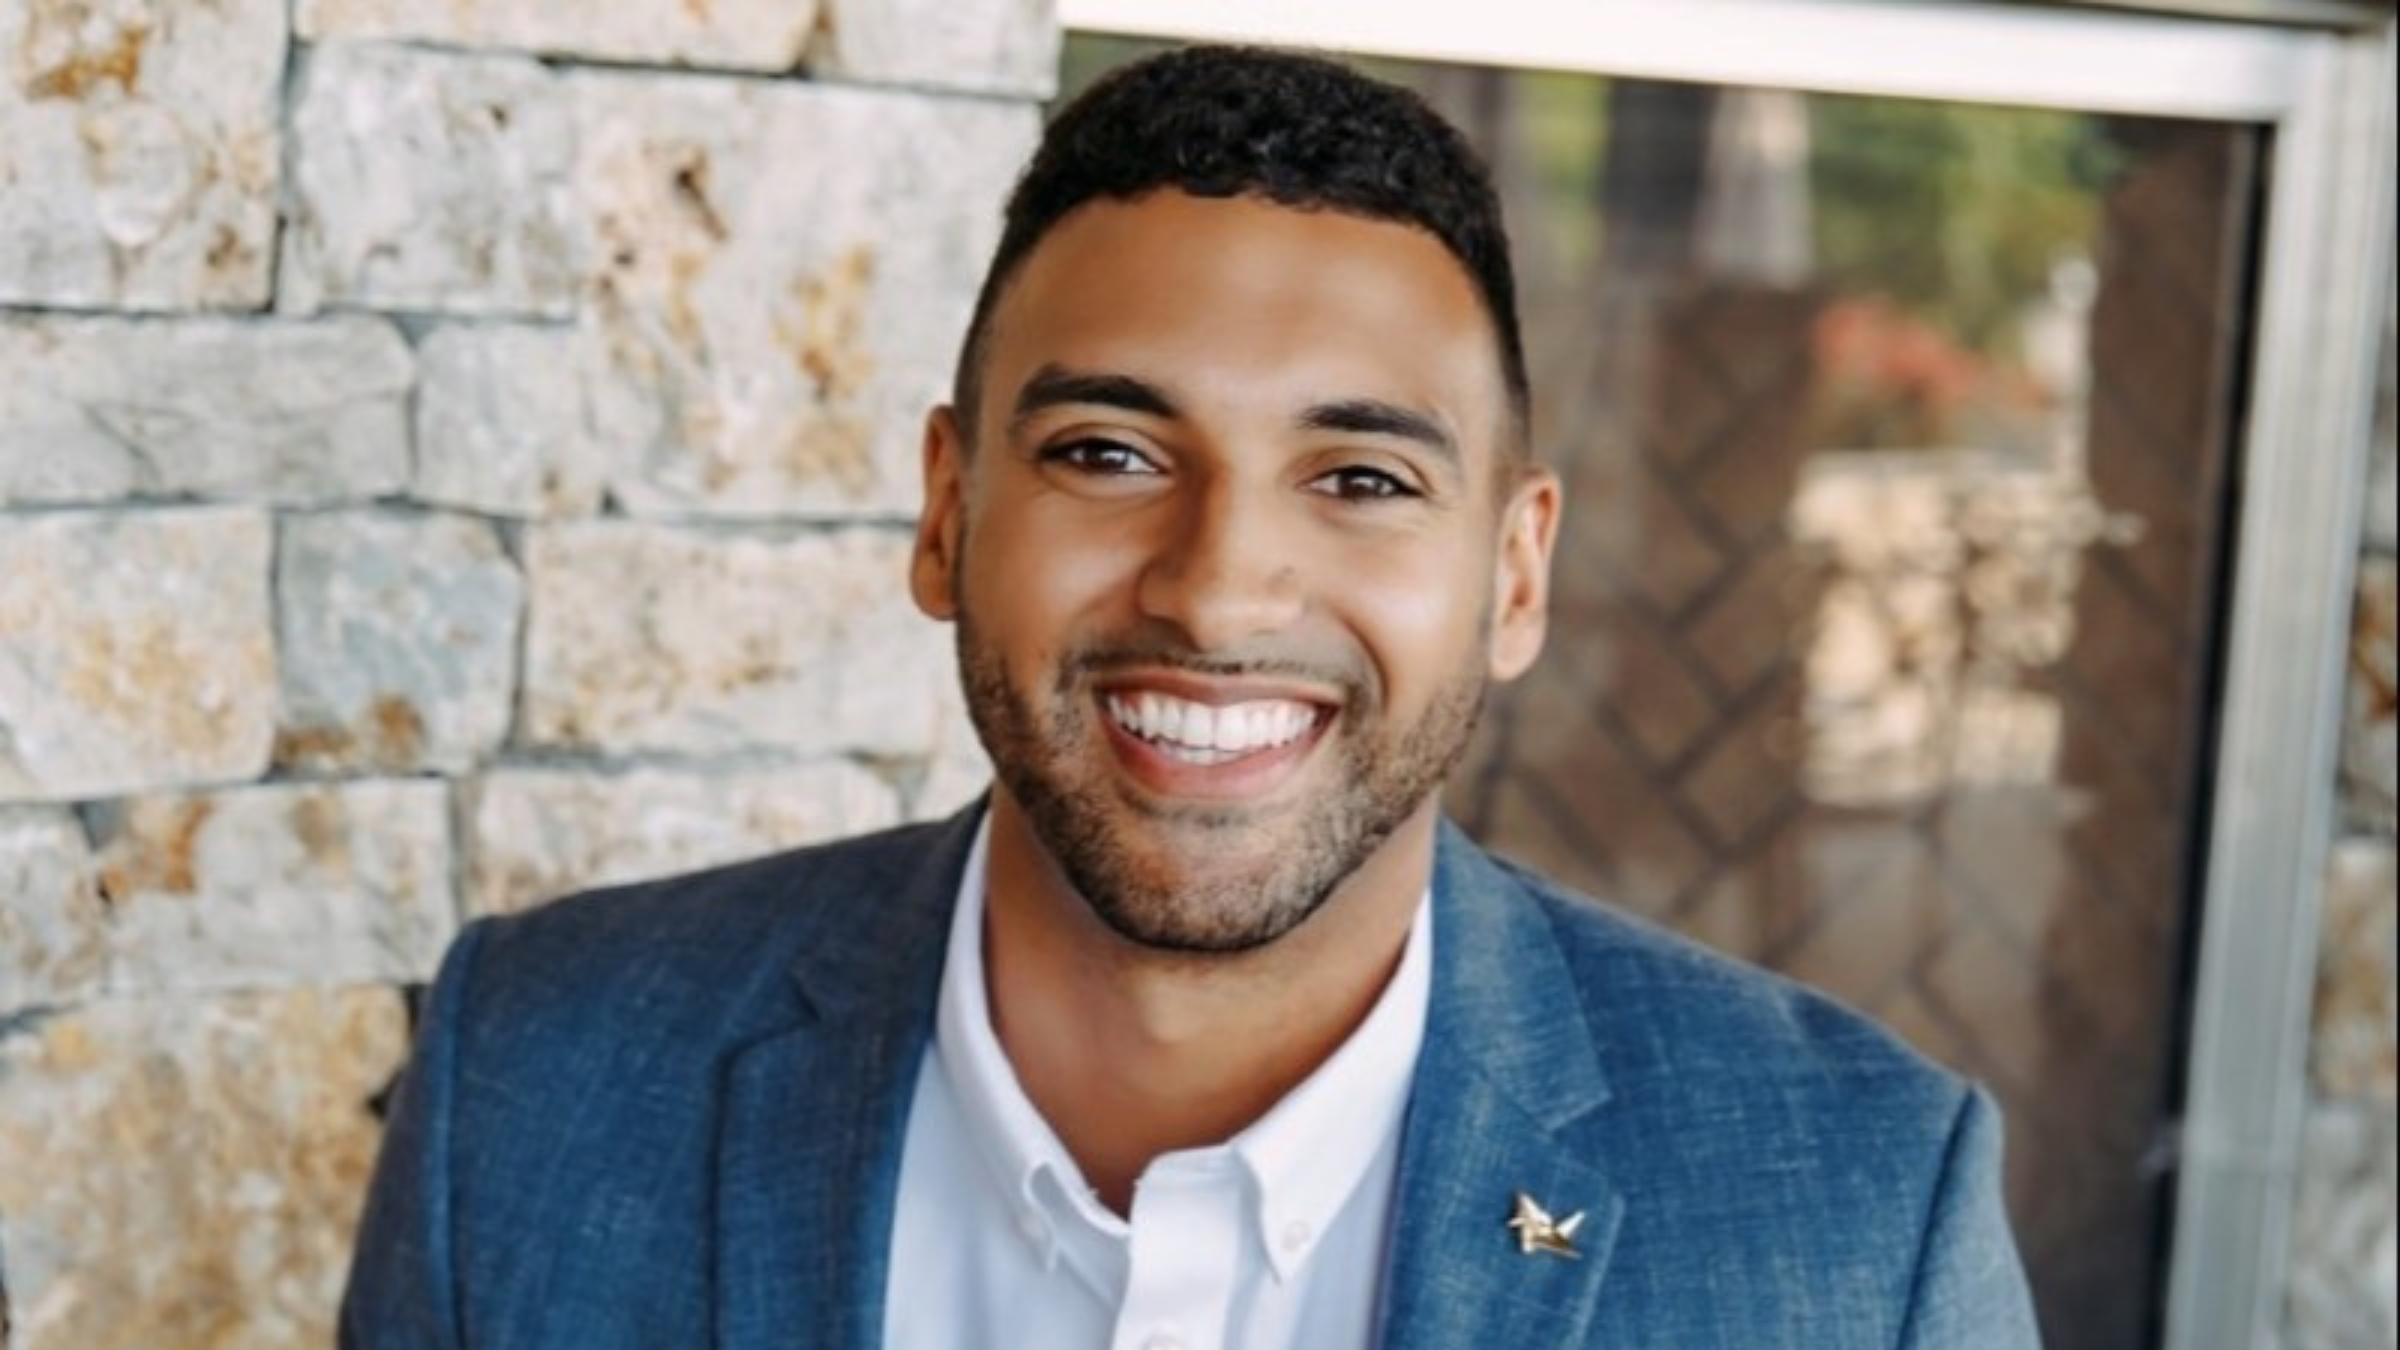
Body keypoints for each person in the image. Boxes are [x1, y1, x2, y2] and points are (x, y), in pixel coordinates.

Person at [341, 44, 2041, 1349]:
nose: (1219, 590)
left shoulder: (1858, 1216)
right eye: (1108, 452)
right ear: (947, 515)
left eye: (1361, 478)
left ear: (1515, 574)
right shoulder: (534, 1081)